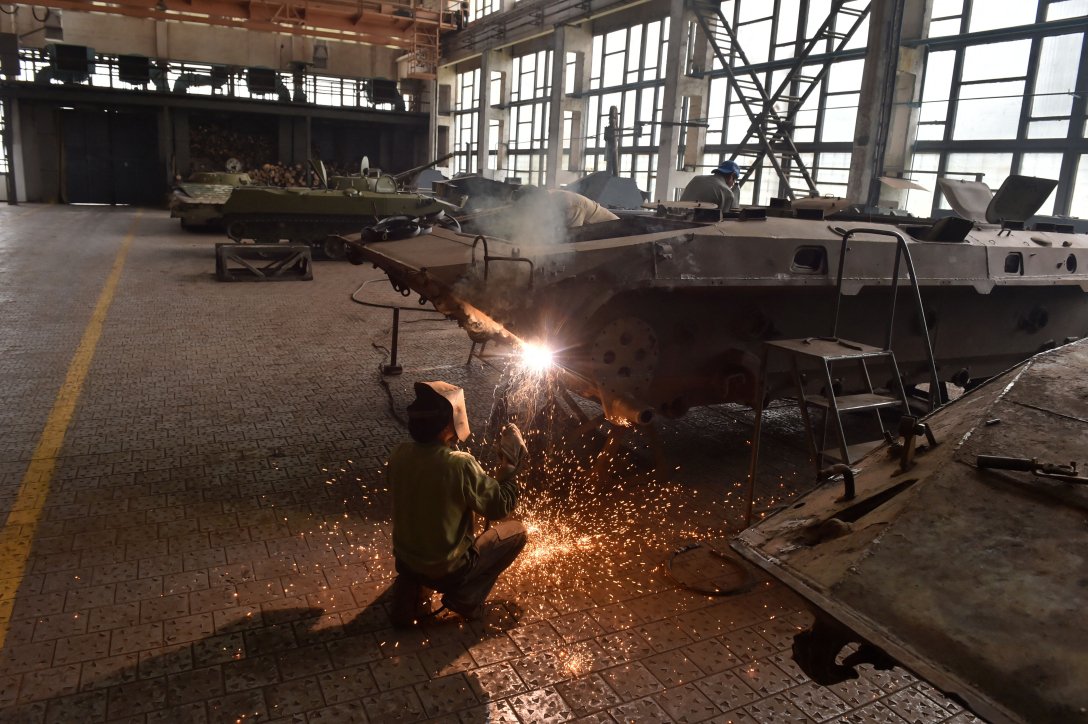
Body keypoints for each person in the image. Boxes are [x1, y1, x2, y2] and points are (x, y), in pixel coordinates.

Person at [386, 381, 529, 627]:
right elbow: (498, 506)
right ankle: (466, 597)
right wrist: (510, 471)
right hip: (447, 569)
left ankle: (411, 587)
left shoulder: (399, 453)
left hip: (405, 561)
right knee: (517, 532)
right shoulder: (460, 464)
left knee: (423, 547)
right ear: (446, 426)